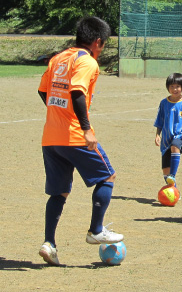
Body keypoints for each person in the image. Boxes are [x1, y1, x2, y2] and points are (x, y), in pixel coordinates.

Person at [37, 16, 124, 266]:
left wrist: (58, 114)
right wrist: (86, 129)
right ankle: (96, 230)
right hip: (74, 135)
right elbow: (77, 91)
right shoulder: (86, 62)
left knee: (59, 192)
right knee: (107, 176)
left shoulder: (58, 58)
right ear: (97, 42)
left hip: (51, 137)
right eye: (104, 44)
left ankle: (49, 243)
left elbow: (43, 90)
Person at [154, 73, 182, 188]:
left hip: (181, 136)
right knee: (165, 171)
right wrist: (158, 134)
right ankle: (174, 191)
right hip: (166, 138)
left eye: (177, 86)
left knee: (175, 146)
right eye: (172, 86)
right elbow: (160, 120)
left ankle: (173, 174)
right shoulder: (164, 103)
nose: (175, 89)